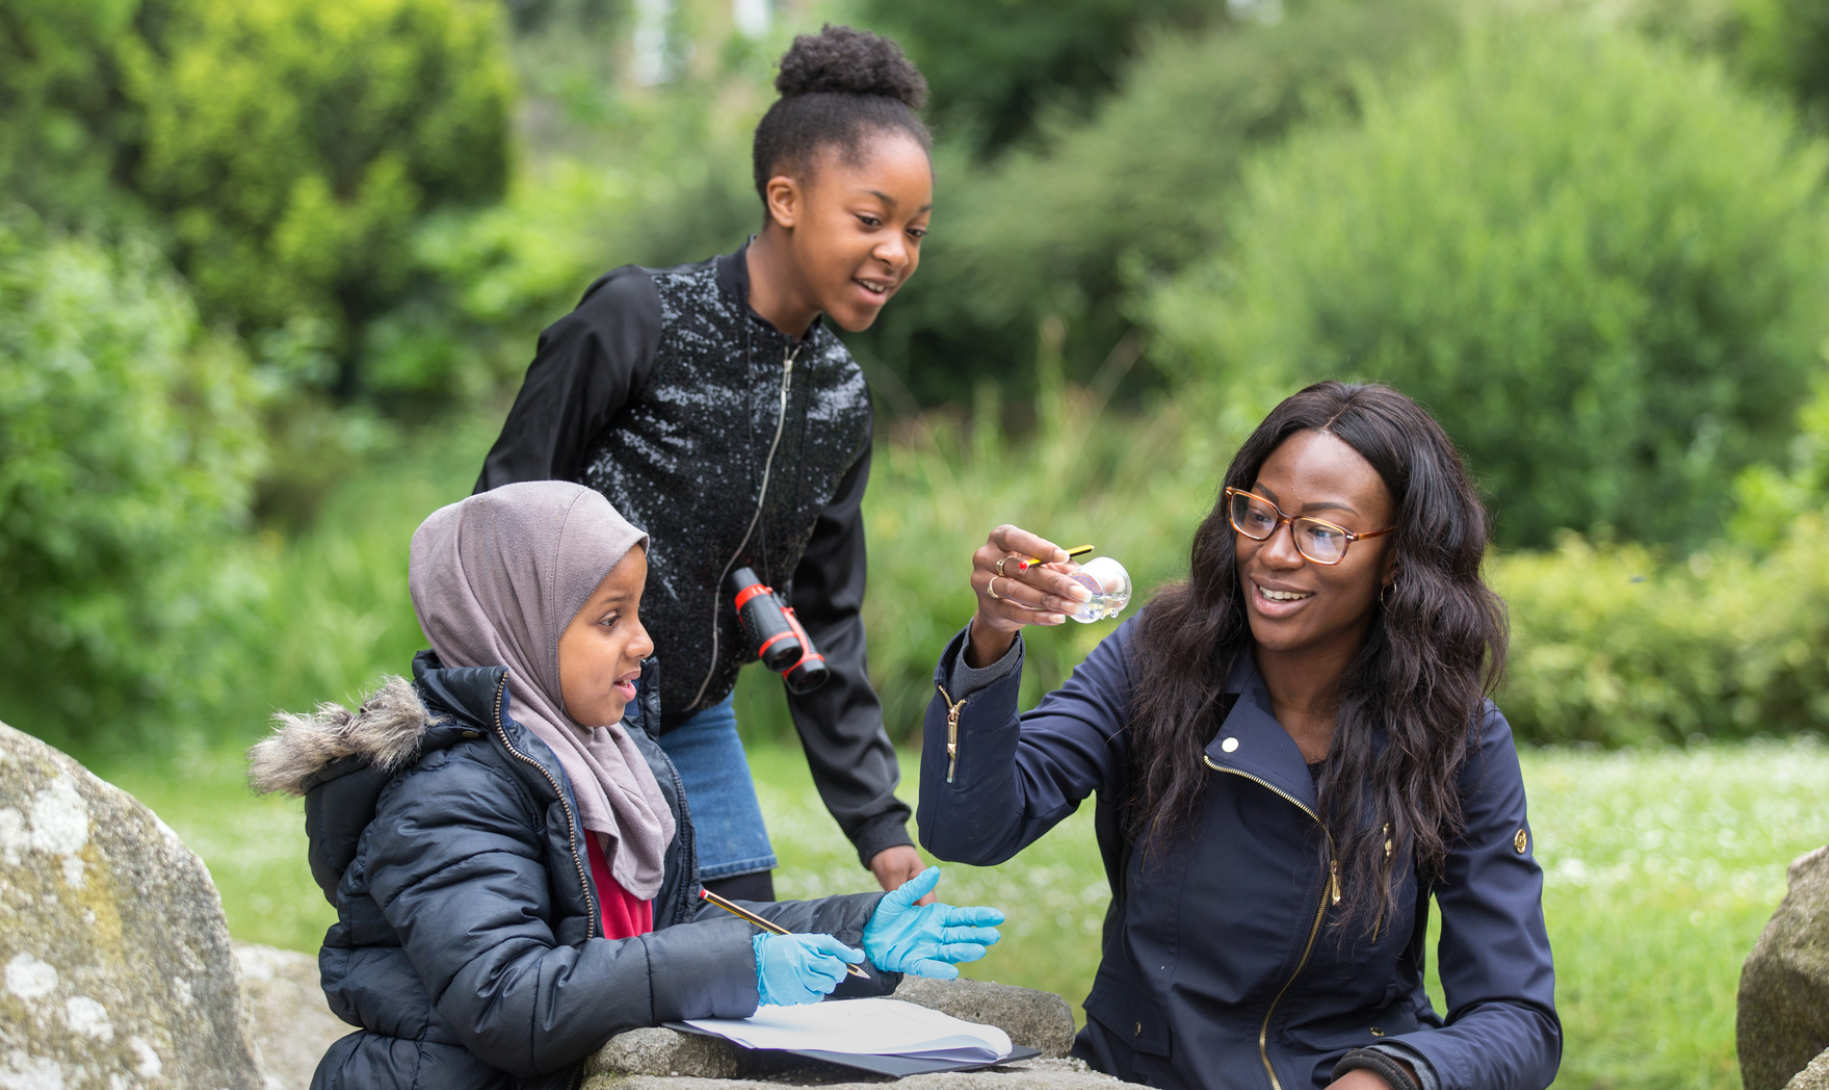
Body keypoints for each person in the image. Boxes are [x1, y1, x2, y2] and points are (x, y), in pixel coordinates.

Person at [248, 482, 1001, 1089]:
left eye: (637, 614)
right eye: (610, 619)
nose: (643, 643)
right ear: (519, 623)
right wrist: (743, 968)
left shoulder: (615, 762)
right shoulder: (450, 797)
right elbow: (510, 1000)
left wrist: (851, 934)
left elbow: (673, 930)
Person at [917, 382, 1561, 1090]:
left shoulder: (1456, 734)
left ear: (1400, 560)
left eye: (1323, 532)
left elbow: (1517, 1017)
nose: (1273, 554)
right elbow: (970, 829)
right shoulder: (1155, 660)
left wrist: (1392, 1077)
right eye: (1258, 514)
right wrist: (991, 638)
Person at [474, 24, 933, 906]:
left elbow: (822, 621)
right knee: (588, 961)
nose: (897, 253)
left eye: (913, 230)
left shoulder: (840, 398)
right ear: (786, 197)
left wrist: (880, 826)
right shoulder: (637, 318)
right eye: (870, 220)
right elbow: (503, 510)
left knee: (744, 949)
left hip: (693, 720)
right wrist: (511, 709)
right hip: (556, 707)